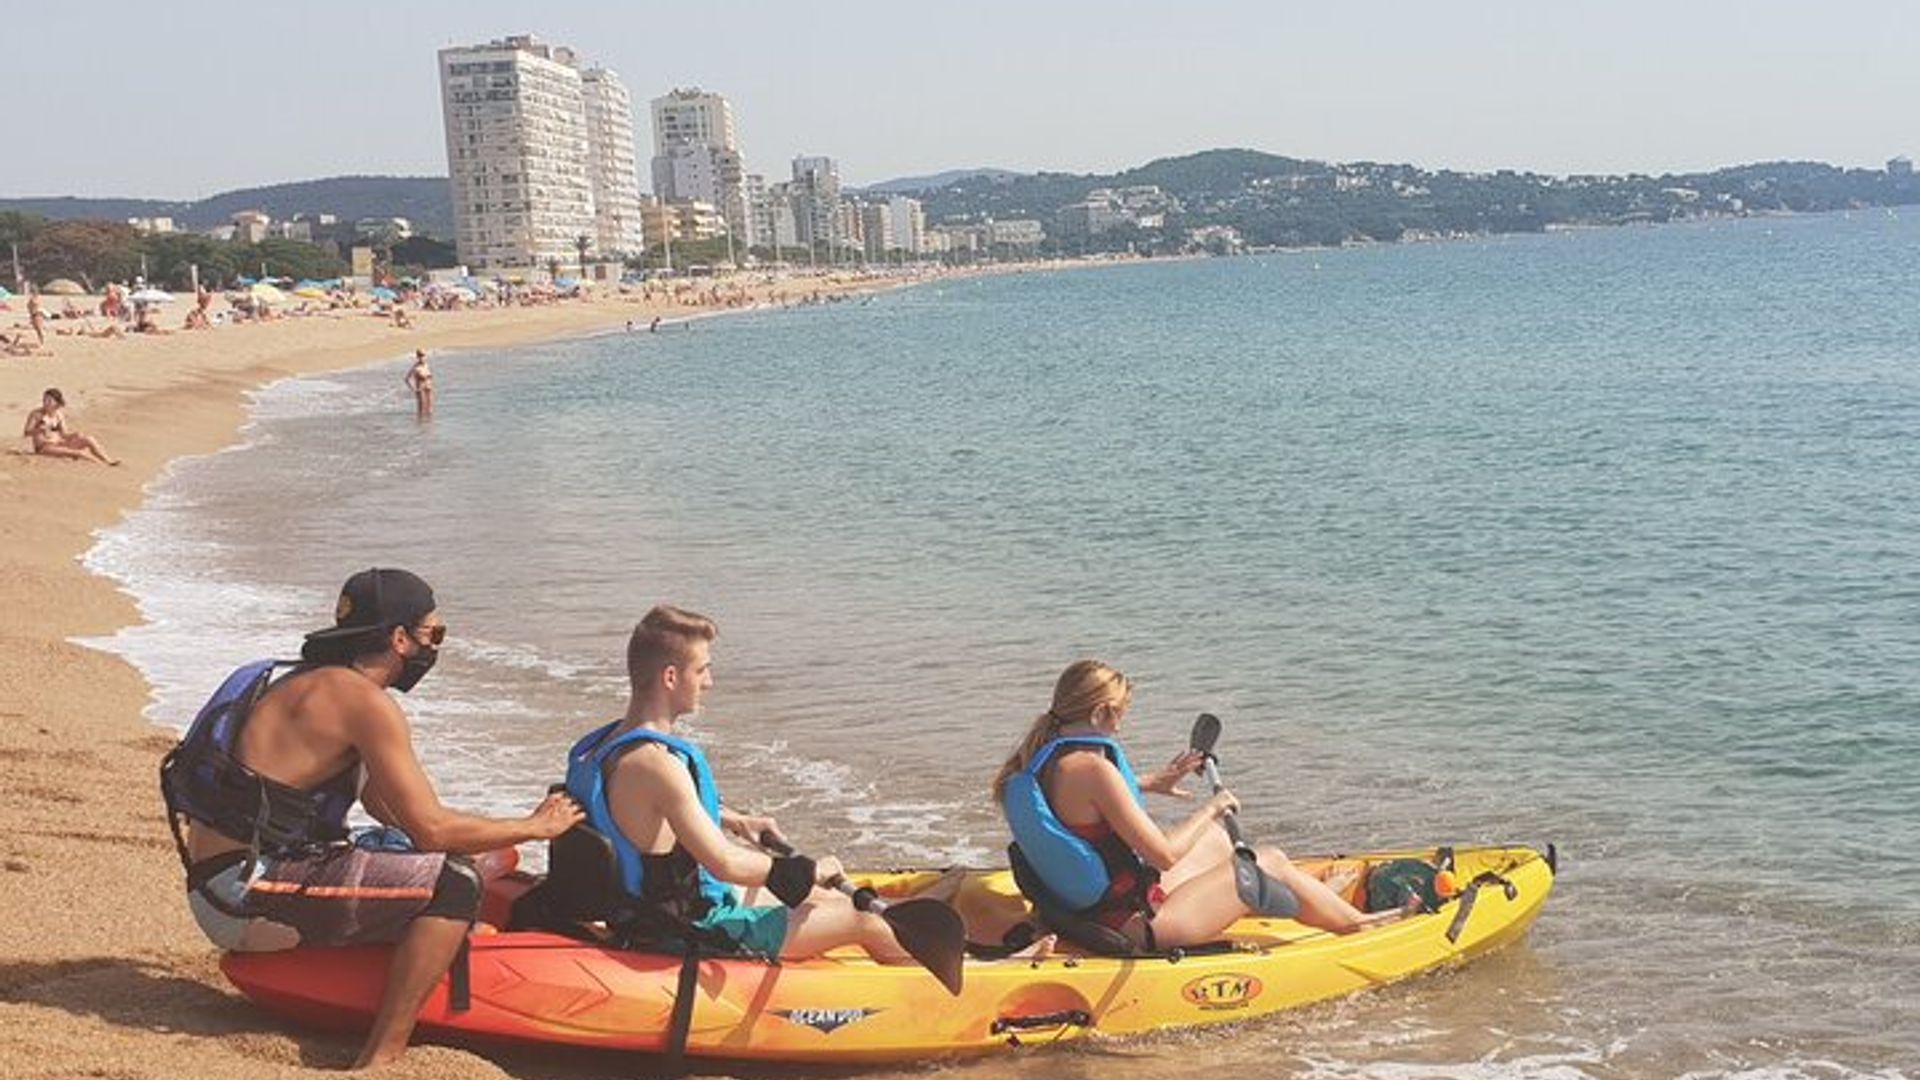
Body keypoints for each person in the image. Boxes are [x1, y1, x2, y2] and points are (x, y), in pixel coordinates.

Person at [160, 568, 584, 1069]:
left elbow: (400, 818)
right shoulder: (363, 702)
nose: (436, 648)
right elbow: (432, 828)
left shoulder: (302, 680)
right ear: (399, 639)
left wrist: (490, 842)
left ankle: (427, 947)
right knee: (454, 883)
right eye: (434, 635)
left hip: (221, 882)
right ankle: (382, 1055)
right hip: (244, 894)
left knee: (446, 854)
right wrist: (538, 826)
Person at [563, 605, 918, 965]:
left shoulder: (606, 744)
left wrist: (734, 819)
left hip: (645, 914)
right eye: (701, 670)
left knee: (828, 899)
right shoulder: (658, 766)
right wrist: (809, 870)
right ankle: (939, 997)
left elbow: (646, 815)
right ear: (670, 677)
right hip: (688, 930)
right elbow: (724, 863)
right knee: (865, 918)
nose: (709, 682)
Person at [994, 659, 1398, 951]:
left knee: (1217, 842)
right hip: (1137, 926)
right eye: (1121, 715)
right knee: (1266, 860)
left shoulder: (1044, 756)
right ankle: (1357, 928)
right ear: (1102, 712)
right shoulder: (1094, 769)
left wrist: (1155, 782)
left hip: (1096, 908)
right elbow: (1165, 856)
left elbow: (1079, 808)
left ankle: (1278, 898)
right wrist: (1214, 805)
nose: (1122, 724)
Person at [23, 388, 118, 464]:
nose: (45, 402)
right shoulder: (36, 414)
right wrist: (38, 430)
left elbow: (64, 434)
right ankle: (100, 466)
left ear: (57, 402)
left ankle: (108, 460)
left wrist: (74, 435)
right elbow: (26, 432)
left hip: (59, 443)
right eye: (44, 400)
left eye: (49, 400)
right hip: (45, 447)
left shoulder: (58, 414)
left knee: (89, 439)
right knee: (80, 453)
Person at [404, 348, 434, 419]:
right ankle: (420, 424)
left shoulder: (426, 365)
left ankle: (428, 426)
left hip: (429, 388)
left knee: (430, 410)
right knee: (421, 410)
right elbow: (406, 379)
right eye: (420, 356)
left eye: (423, 355)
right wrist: (414, 389)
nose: (422, 357)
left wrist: (430, 382)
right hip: (421, 389)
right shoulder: (416, 367)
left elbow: (429, 377)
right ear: (417, 357)